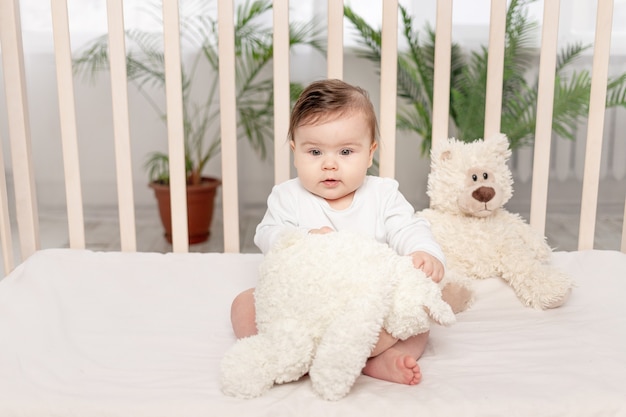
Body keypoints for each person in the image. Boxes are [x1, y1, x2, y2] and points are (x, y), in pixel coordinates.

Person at [230, 78, 445, 386]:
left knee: (418, 318)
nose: (329, 164)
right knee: (244, 303)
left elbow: (409, 227)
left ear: (370, 154)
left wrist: (425, 253)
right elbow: (267, 234)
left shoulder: (383, 194)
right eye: (315, 152)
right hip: (304, 306)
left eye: (345, 152)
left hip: (365, 307)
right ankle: (286, 351)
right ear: (295, 152)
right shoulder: (287, 196)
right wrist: (301, 241)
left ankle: (372, 360)